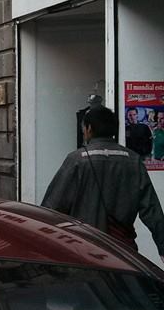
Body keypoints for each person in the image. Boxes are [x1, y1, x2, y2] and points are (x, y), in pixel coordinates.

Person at [43, 106, 164, 257]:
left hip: (85, 250)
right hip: (123, 251)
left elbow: (52, 207)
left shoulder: (77, 160)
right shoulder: (133, 160)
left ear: (89, 129)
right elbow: (152, 209)